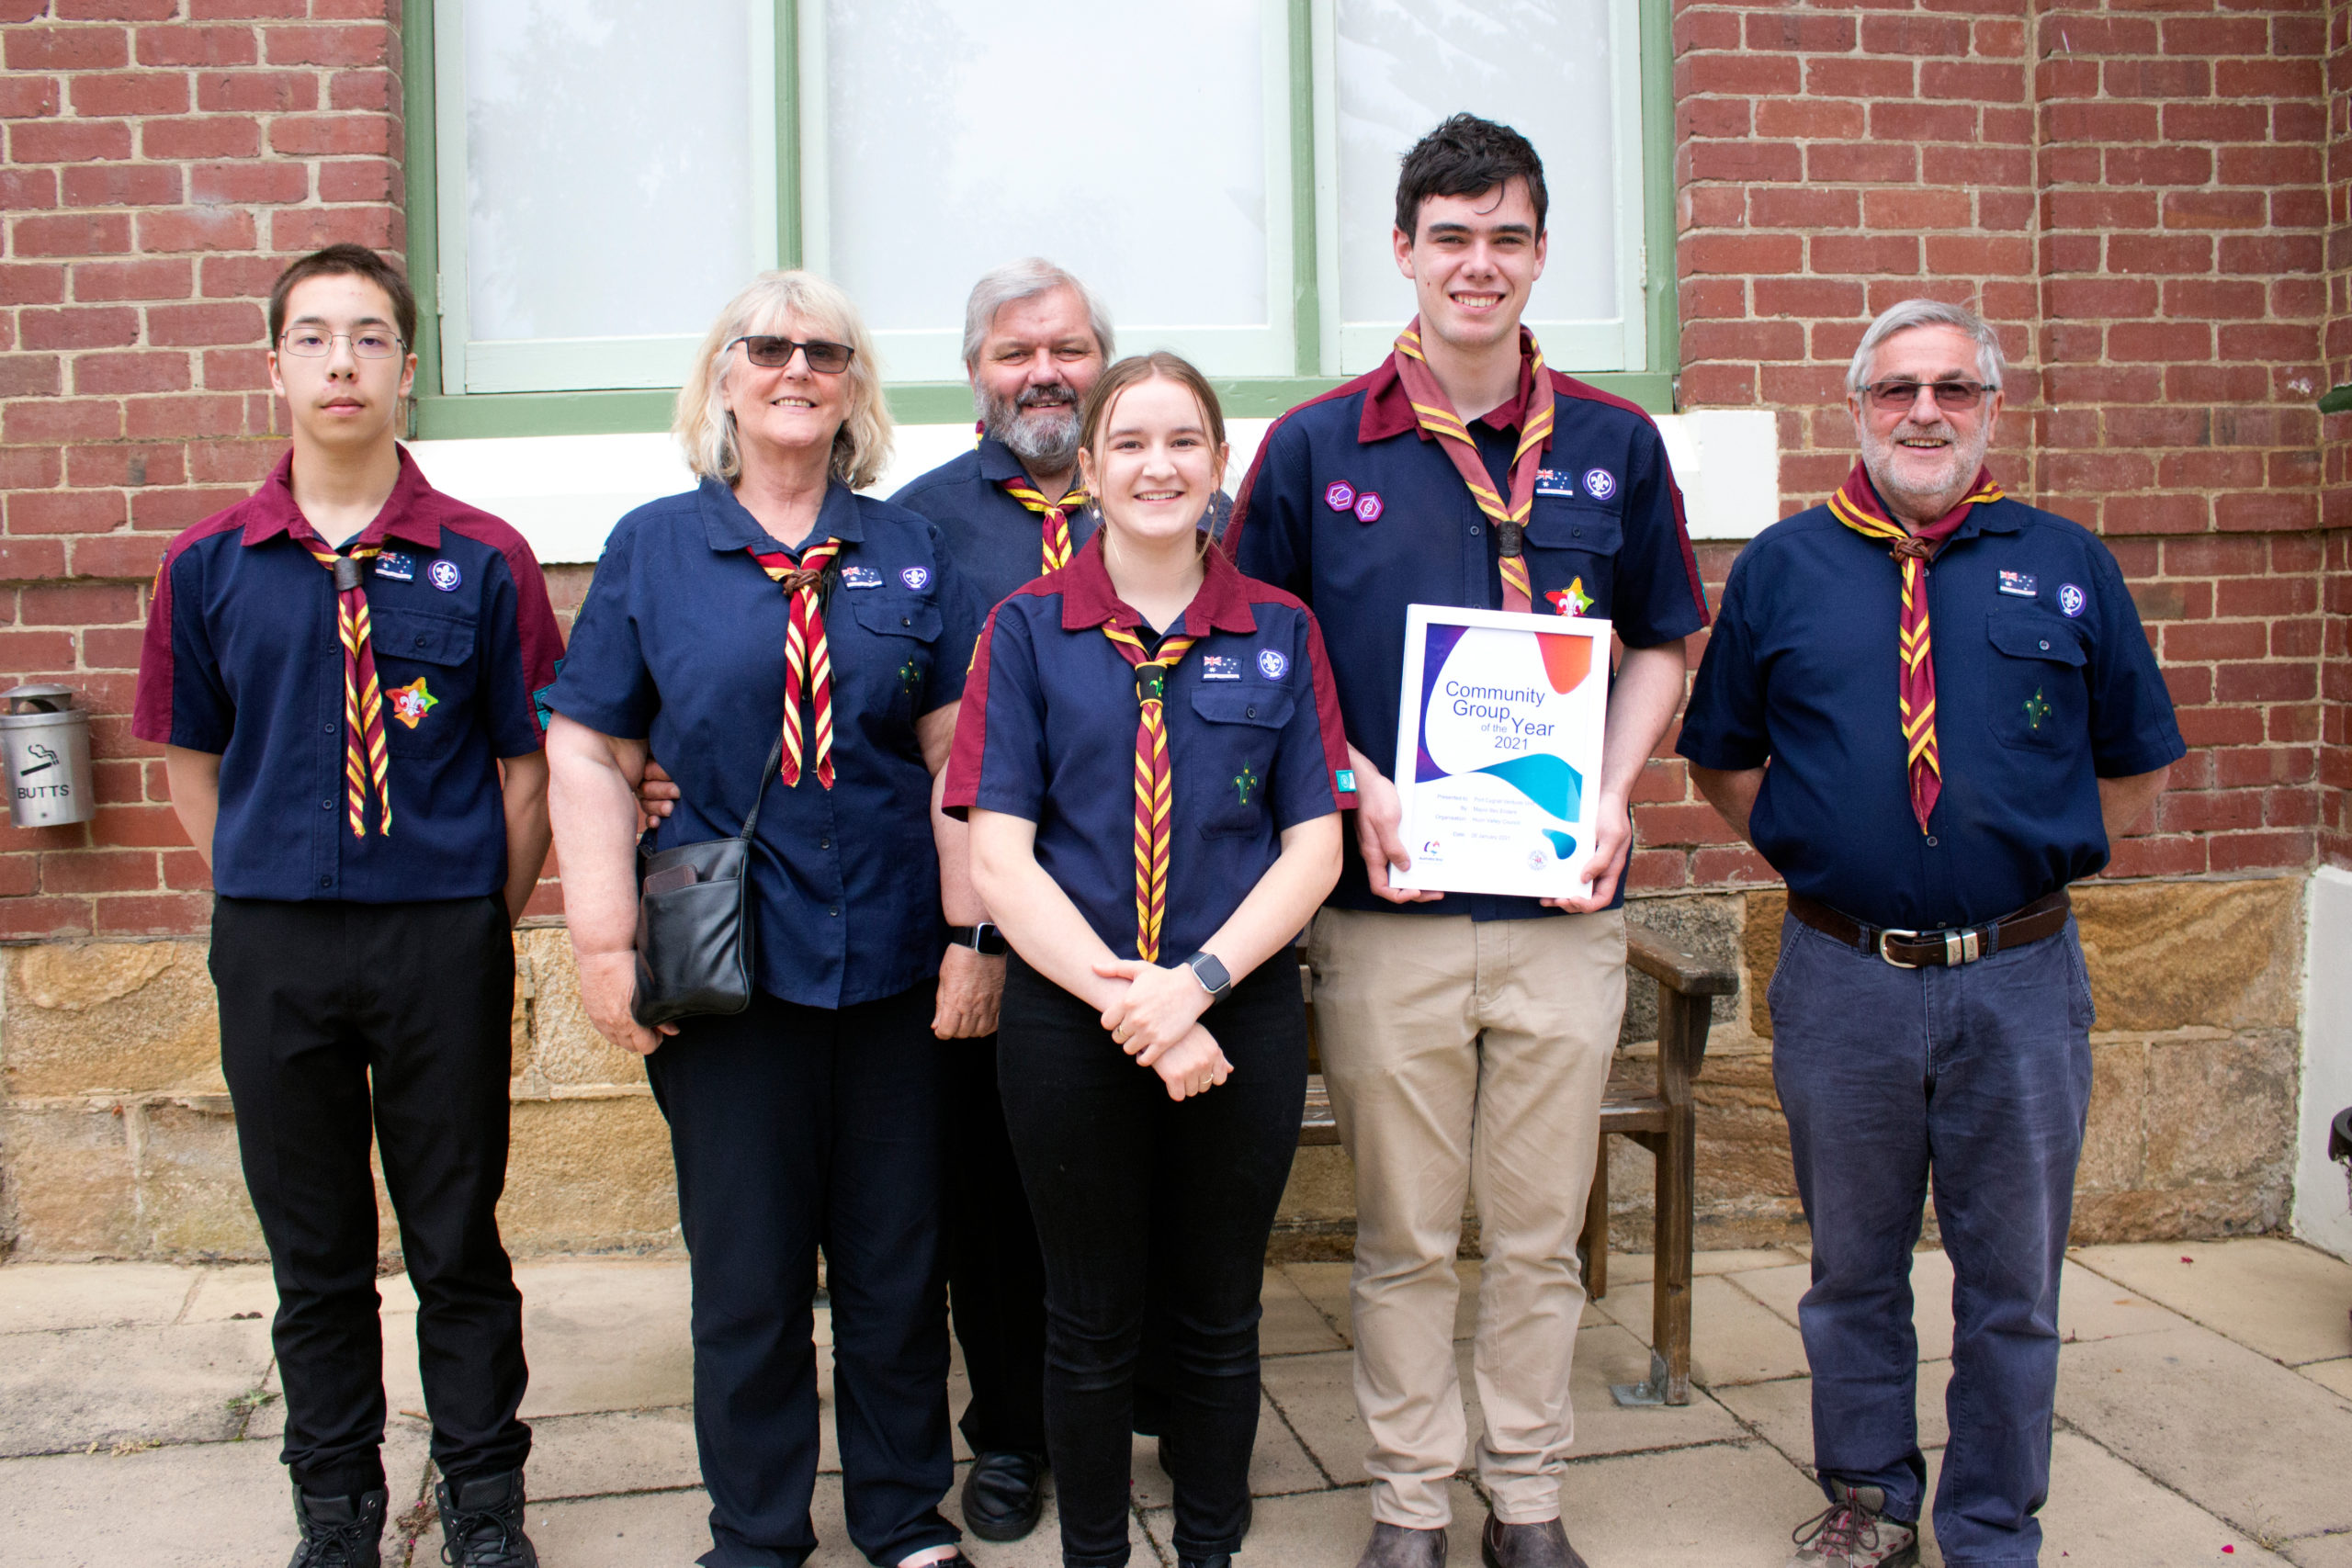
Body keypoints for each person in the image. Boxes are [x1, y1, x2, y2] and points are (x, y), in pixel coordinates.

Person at [1226, 115, 1708, 1568]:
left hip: (1564, 911)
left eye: (1506, 237)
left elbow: (1664, 647)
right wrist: (1358, 779)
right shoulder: (1318, 449)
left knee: (1541, 1235)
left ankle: (1531, 1501)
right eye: (1451, 237)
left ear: (1541, 253)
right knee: (1405, 1238)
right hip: (1390, 918)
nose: (1477, 266)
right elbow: (1261, 664)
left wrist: (1617, 787)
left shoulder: (1617, 446)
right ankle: (1408, 1506)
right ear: (1404, 251)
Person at [1677, 299, 2180, 1568]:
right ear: (1856, 410)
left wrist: (2009, 869)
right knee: (1852, 1265)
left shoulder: (2069, 563)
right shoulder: (1785, 569)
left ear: (1992, 409)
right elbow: (1724, 758)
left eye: (1954, 389)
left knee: (2015, 1284)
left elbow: (2131, 775)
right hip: (1846, 976)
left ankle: (1995, 1520)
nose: (1925, 413)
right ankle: (1869, 1496)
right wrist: (1834, 858)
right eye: (1899, 389)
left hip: (2020, 980)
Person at [542, 270, 986, 1568]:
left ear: (854, 385)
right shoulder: (652, 550)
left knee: (899, 1266)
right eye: (769, 347)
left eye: (826, 351)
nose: (798, 368)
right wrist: (602, 945)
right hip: (726, 967)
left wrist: (974, 942)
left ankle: (905, 1517)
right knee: (746, 1279)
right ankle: (757, 1532)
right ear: (724, 376)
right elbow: (586, 749)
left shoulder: (909, 551)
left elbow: (960, 754)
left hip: (898, 961)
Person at [133, 243, 561, 1568]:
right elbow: (192, 761)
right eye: (312, 338)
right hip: (274, 944)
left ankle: (485, 1495)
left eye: (369, 337)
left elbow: (527, 765)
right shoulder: (208, 566)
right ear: (273, 366)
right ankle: (337, 1503)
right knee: (312, 1246)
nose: (340, 363)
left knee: (455, 1237)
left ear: (407, 370)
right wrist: (261, 879)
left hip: (440, 933)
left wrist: (470, 912)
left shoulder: (483, 560)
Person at [947, 352, 1351, 1568]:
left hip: (1238, 1014)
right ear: (1090, 468)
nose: (1158, 465)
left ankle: (1214, 1546)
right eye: (1130, 442)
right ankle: (1095, 1555)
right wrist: (1131, 1003)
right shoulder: (1024, 631)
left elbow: (1315, 846)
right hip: (1074, 1026)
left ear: (1220, 467)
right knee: (1088, 1318)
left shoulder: (1281, 633)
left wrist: (1198, 989)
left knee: (1221, 1311)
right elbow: (1001, 859)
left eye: (1185, 442)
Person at [887, 258, 1116, 1540]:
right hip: (993, 927)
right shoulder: (917, 526)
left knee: (1143, 1182)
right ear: (975, 372)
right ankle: (1014, 1436)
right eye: (1017, 353)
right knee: (998, 1196)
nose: (1046, 374)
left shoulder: (1174, 494)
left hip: (1148, 918)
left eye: (1069, 349)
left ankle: (1153, 1409)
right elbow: (882, 726)